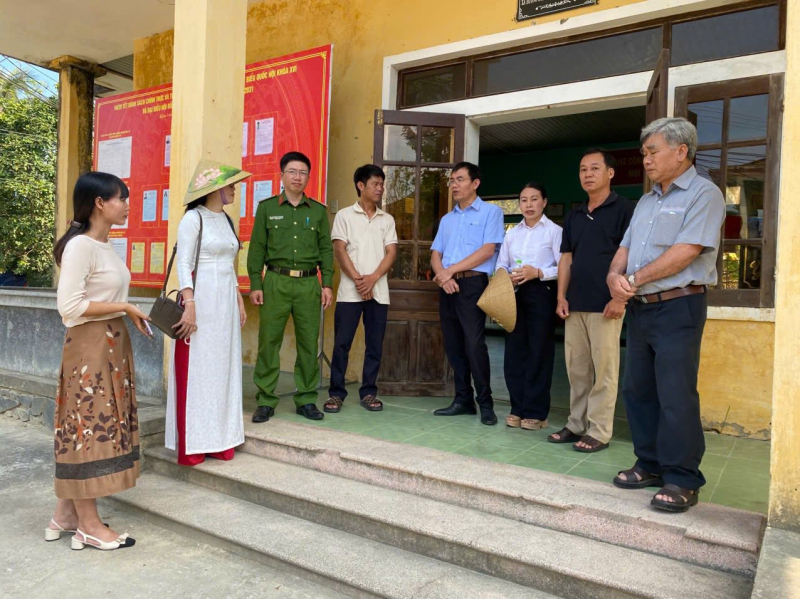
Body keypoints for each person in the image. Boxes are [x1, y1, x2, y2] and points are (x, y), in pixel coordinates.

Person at [607, 117, 724, 513]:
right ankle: (650, 463)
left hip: (680, 305)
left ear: (681, 151)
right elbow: (624, 247)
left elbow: (686, 251)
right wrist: (613, 276)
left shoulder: (704, 195)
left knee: (675, 393)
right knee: (638, 390)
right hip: (642, 308)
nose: (645, 159)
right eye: (643, 152)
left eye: (652, 151)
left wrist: (633, 279)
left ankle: (682, 477)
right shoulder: (646, 200)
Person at [49, 171, 151, 551]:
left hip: (111, 345)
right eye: (121, 198)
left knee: (90, 425)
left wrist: (127, 313)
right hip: (89, 348)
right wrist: (125, 305)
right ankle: (89, 525)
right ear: (99, 203)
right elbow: (69, 307)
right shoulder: (81, 247)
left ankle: (65, 514)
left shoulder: (105, 246)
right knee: (87, 429)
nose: (126, 204)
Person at [165, 159, 251, 466]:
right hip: (201, 300)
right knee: (199, 370)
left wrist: (239, 300)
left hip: (225, 301)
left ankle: (220, 439)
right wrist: (189, 305)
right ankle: (195, 443)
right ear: (214, 188)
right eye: (230, 185)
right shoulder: (193, 219)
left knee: (221, 367)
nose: (233, 189)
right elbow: (184, 263)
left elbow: (230, 264)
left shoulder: (226, 221)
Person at [548, 149, 635, 452]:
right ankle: (576, 424)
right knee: (578, 370)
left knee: (604, 371)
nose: (587, 174)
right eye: (583, 169)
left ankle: (599, 430)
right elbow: (566, 258)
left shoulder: (625, 209)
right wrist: (561, 295)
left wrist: (619, 299)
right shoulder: (574, 214)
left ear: (610, 173)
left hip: (606, 305)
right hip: (575, 304)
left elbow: (633, 258)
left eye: (594, 168)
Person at [248, 151, 334, 422]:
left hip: (309, 283)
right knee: (268, 342)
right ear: (282, 175)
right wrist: (255, 283)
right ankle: (265, 400)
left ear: (308, 177)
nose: (298, 177)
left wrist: (327, 284)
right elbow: (257, 249)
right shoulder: (267, 208)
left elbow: (326, 251)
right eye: (292, 172)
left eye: (303, 173)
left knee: (309, 343)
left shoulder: (318, 212)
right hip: (275, 281)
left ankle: (307, 399)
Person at [431, 162, 505, 426]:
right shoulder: (447, 219)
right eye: (451, 180)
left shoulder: (491, 213)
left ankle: (486, 403)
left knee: (474, 344)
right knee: (453, 345)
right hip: (447, 286)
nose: (454, 185)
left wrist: (450, 271)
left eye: (460, 179)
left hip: (473, 285)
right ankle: (463, 400)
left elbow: (487, 251)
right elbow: (435, 253)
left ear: (475, 183)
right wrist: (443, 276)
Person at [324, 165, 397, 414]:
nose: (380, 188)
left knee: (374, 346)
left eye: (382, 184)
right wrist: (359, 280)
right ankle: (336, 394)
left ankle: (368, 392)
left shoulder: (387, 220)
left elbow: (391, 253)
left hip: (378, 293)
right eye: (375, 183)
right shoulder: (344, 216)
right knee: (342, 344)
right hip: (349, 293)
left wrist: (372, 279)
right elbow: (339, 250)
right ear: (361, 185)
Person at [496, 182, 562, 430]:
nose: (529, 204)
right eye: (524, 200)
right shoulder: (512, 233)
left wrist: (538, 272)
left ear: (544, 202)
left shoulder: (554, 232)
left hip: (541, 293)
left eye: (534, 199)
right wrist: (505, 275)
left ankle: (537, 413)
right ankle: (517, 407)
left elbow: (563, 267)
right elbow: (501, 263)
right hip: (514, 294)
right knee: (514, 354)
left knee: (539, 352)